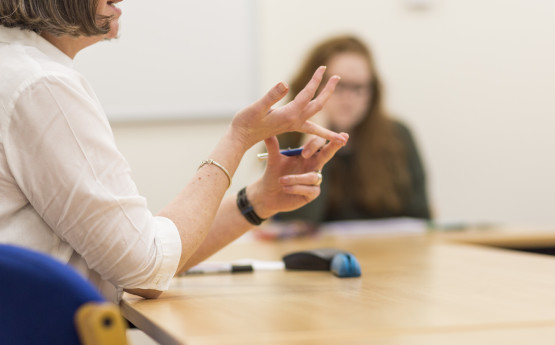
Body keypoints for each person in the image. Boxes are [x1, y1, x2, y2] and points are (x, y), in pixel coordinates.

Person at [0, 0, 349, 302]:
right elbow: (144, 270)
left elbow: (145, 252)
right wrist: (238, 139)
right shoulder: (41, 85)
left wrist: (259, 200)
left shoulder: (18, 68)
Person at [274, 35, 431, 229]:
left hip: (391, 254)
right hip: (319, 255)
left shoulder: (398, 135)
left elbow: (421, 220)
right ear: (311, 87)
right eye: (338, 86)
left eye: (358, 87)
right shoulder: (286, 138)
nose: (348, 98)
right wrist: (315, 142)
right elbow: (296, 224)